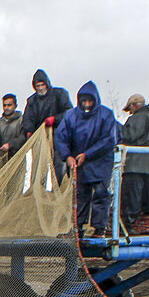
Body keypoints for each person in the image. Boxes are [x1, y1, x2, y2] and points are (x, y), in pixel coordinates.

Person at [54, 81, 121, 236]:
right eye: (84, 101)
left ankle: (99, 228)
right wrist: (67, 156)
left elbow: (108, 140)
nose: (87, 104)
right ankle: (78, 228)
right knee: (80, 195)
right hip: (79, 162)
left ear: (95, 100)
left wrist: (88, 154)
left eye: (90, 101)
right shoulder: (71, 115)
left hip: (101, 161)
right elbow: (61, 137)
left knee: (100, 193)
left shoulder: (106, 114)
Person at [21, 69, 74, 183]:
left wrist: (55, 119)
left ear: (47, 84)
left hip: (60, 136)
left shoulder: (59, 94)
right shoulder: (32, 101)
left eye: (42, 85)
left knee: (59, 165)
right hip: (41, 138)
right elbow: (27, 119)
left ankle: (61, 189)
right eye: (37, 85)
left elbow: (69, 112)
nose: (40, 88)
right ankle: (41, 191)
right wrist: (29, 130)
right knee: (39, 167)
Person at [120, 94, 149, 234]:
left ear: (134, 105)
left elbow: (128, 136)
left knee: (132, 198)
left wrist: (119, 129)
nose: (130, 113)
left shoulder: (138, 117)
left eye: (130, 109)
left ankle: (128, 229)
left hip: (135, 165)